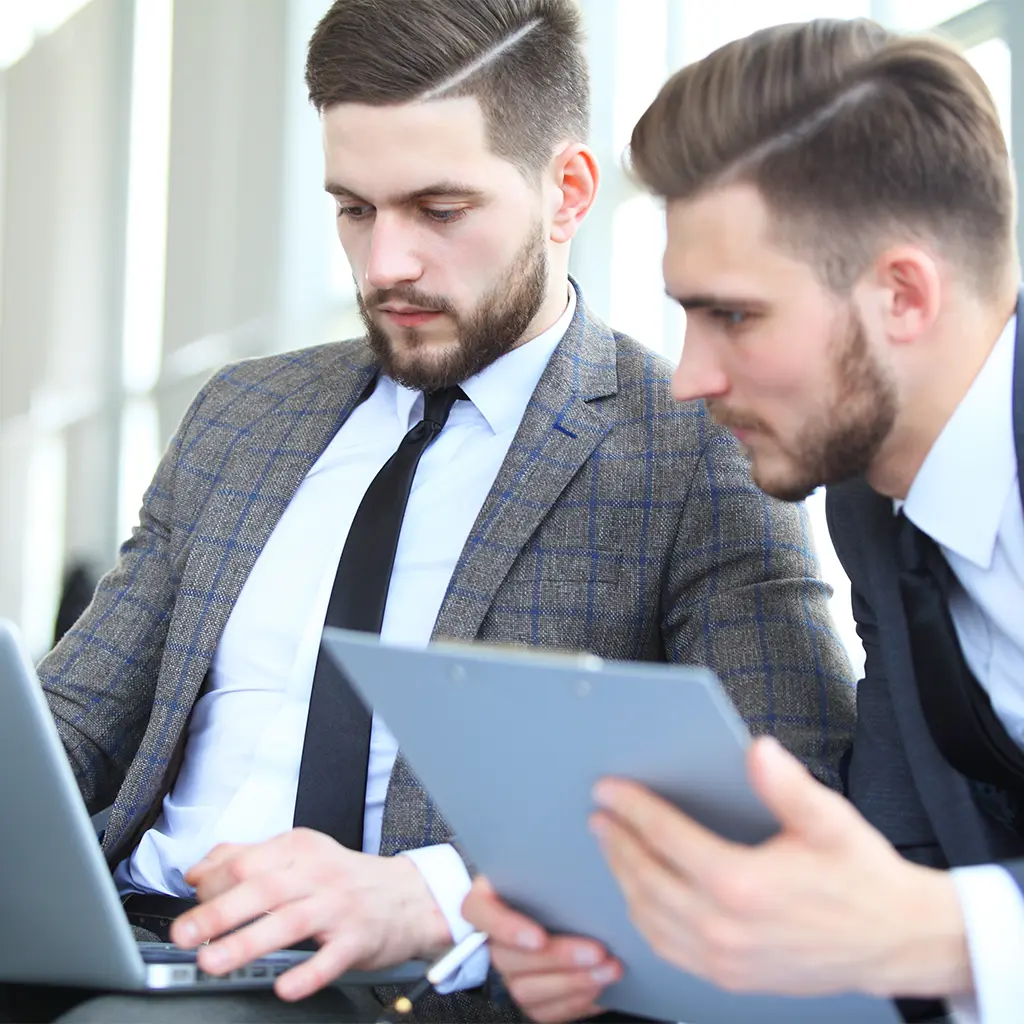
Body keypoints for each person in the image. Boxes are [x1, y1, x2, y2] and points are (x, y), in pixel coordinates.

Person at [21, 4, 856, 1023]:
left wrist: (431, 893)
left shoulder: (693, 446)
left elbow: (789, 795)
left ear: (567, 192)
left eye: (438, 209)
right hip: (125, 936)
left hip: (398, 986)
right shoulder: (244, 414)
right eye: (355, 210)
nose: (385, 267)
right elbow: (71, 719)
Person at [464, 16, 1024, 1024]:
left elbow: (918, 919)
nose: (688, 380)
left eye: (735, 315)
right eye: (685, 315)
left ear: (901, 294)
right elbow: (893, 863)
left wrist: (946, 934)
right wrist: (631, 944)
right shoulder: (868, 504)